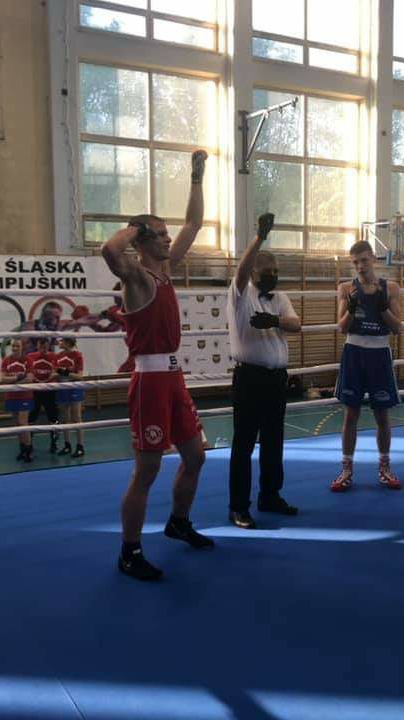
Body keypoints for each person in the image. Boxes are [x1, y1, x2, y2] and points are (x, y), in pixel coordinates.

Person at [102, 149, 212, 582]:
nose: (168, 240)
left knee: (195, 456)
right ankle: (129, 551)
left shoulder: (166, 271)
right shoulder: (136, 277)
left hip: (174, 378)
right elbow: (109, 249)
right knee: (147, 469)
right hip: (149, 382)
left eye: (167, 234)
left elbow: (194, 224)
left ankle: (178, 522)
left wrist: (197, 177)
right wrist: (135, 227)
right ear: (143, 242)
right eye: (160, 235)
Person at [225, 213, 302, 529]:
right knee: (243, 444)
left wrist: (275, 321)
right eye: (267, 272)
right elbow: (241, 270)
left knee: (273, 441)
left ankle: (270, 495)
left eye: (276, 272)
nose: (273, 277)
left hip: (276, 379)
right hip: (249, 378)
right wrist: (259, 237)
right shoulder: (240, 294)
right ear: (255, 272)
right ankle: (238, 507)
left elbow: (296, 325)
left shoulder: (280, 297)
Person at [332, 240, 402, 492]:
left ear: (373, 258)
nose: (360, 266)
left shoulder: (390, 287)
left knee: (382, 414)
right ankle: (346, 470)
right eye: (355, 262)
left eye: (363, 260)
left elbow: (397, 327)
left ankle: (385, 468)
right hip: (354, 353)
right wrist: (351, 310)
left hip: (379, 353)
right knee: (351, 414)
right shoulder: (346, 288)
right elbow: (342, 328)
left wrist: (383, 309)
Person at [0, 338, 35, 462]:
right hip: (11, 396)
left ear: (22, 347)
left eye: (17, 346)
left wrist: (13, 381)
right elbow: (2, 378)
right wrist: (19, 377)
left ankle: (29, 450)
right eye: (13, 346)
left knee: (23, 423)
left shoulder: (28, 360)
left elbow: (30, 378)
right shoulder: (6, 360)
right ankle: (22, 449)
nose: (15, 348)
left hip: (25, 396)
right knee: (17, 424)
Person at [27, 337, 60, 452]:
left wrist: (55, 374)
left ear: (48, 346)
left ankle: (54, 443)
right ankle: (29, 444)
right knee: (31, 417)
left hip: (50, 391)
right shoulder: (30, 356)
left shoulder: (54, 357)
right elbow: (28, 372)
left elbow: (58, 371)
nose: (43, 349)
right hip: (35, 391)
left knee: (53, 417)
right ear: (37, 346)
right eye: (41, 347)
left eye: (45, 347)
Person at [55, 337, 86, 458]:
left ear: (68, 343)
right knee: (64, 418)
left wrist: (66, 372)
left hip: (74, 388)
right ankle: (67, 445)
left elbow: (80, 376)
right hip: (62, 387)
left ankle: (80, 446)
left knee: (76, 417)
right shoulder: (58, 356)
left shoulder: (77, 355)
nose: (60, 343)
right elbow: (55, 372)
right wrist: (57, 373)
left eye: (62, 341)